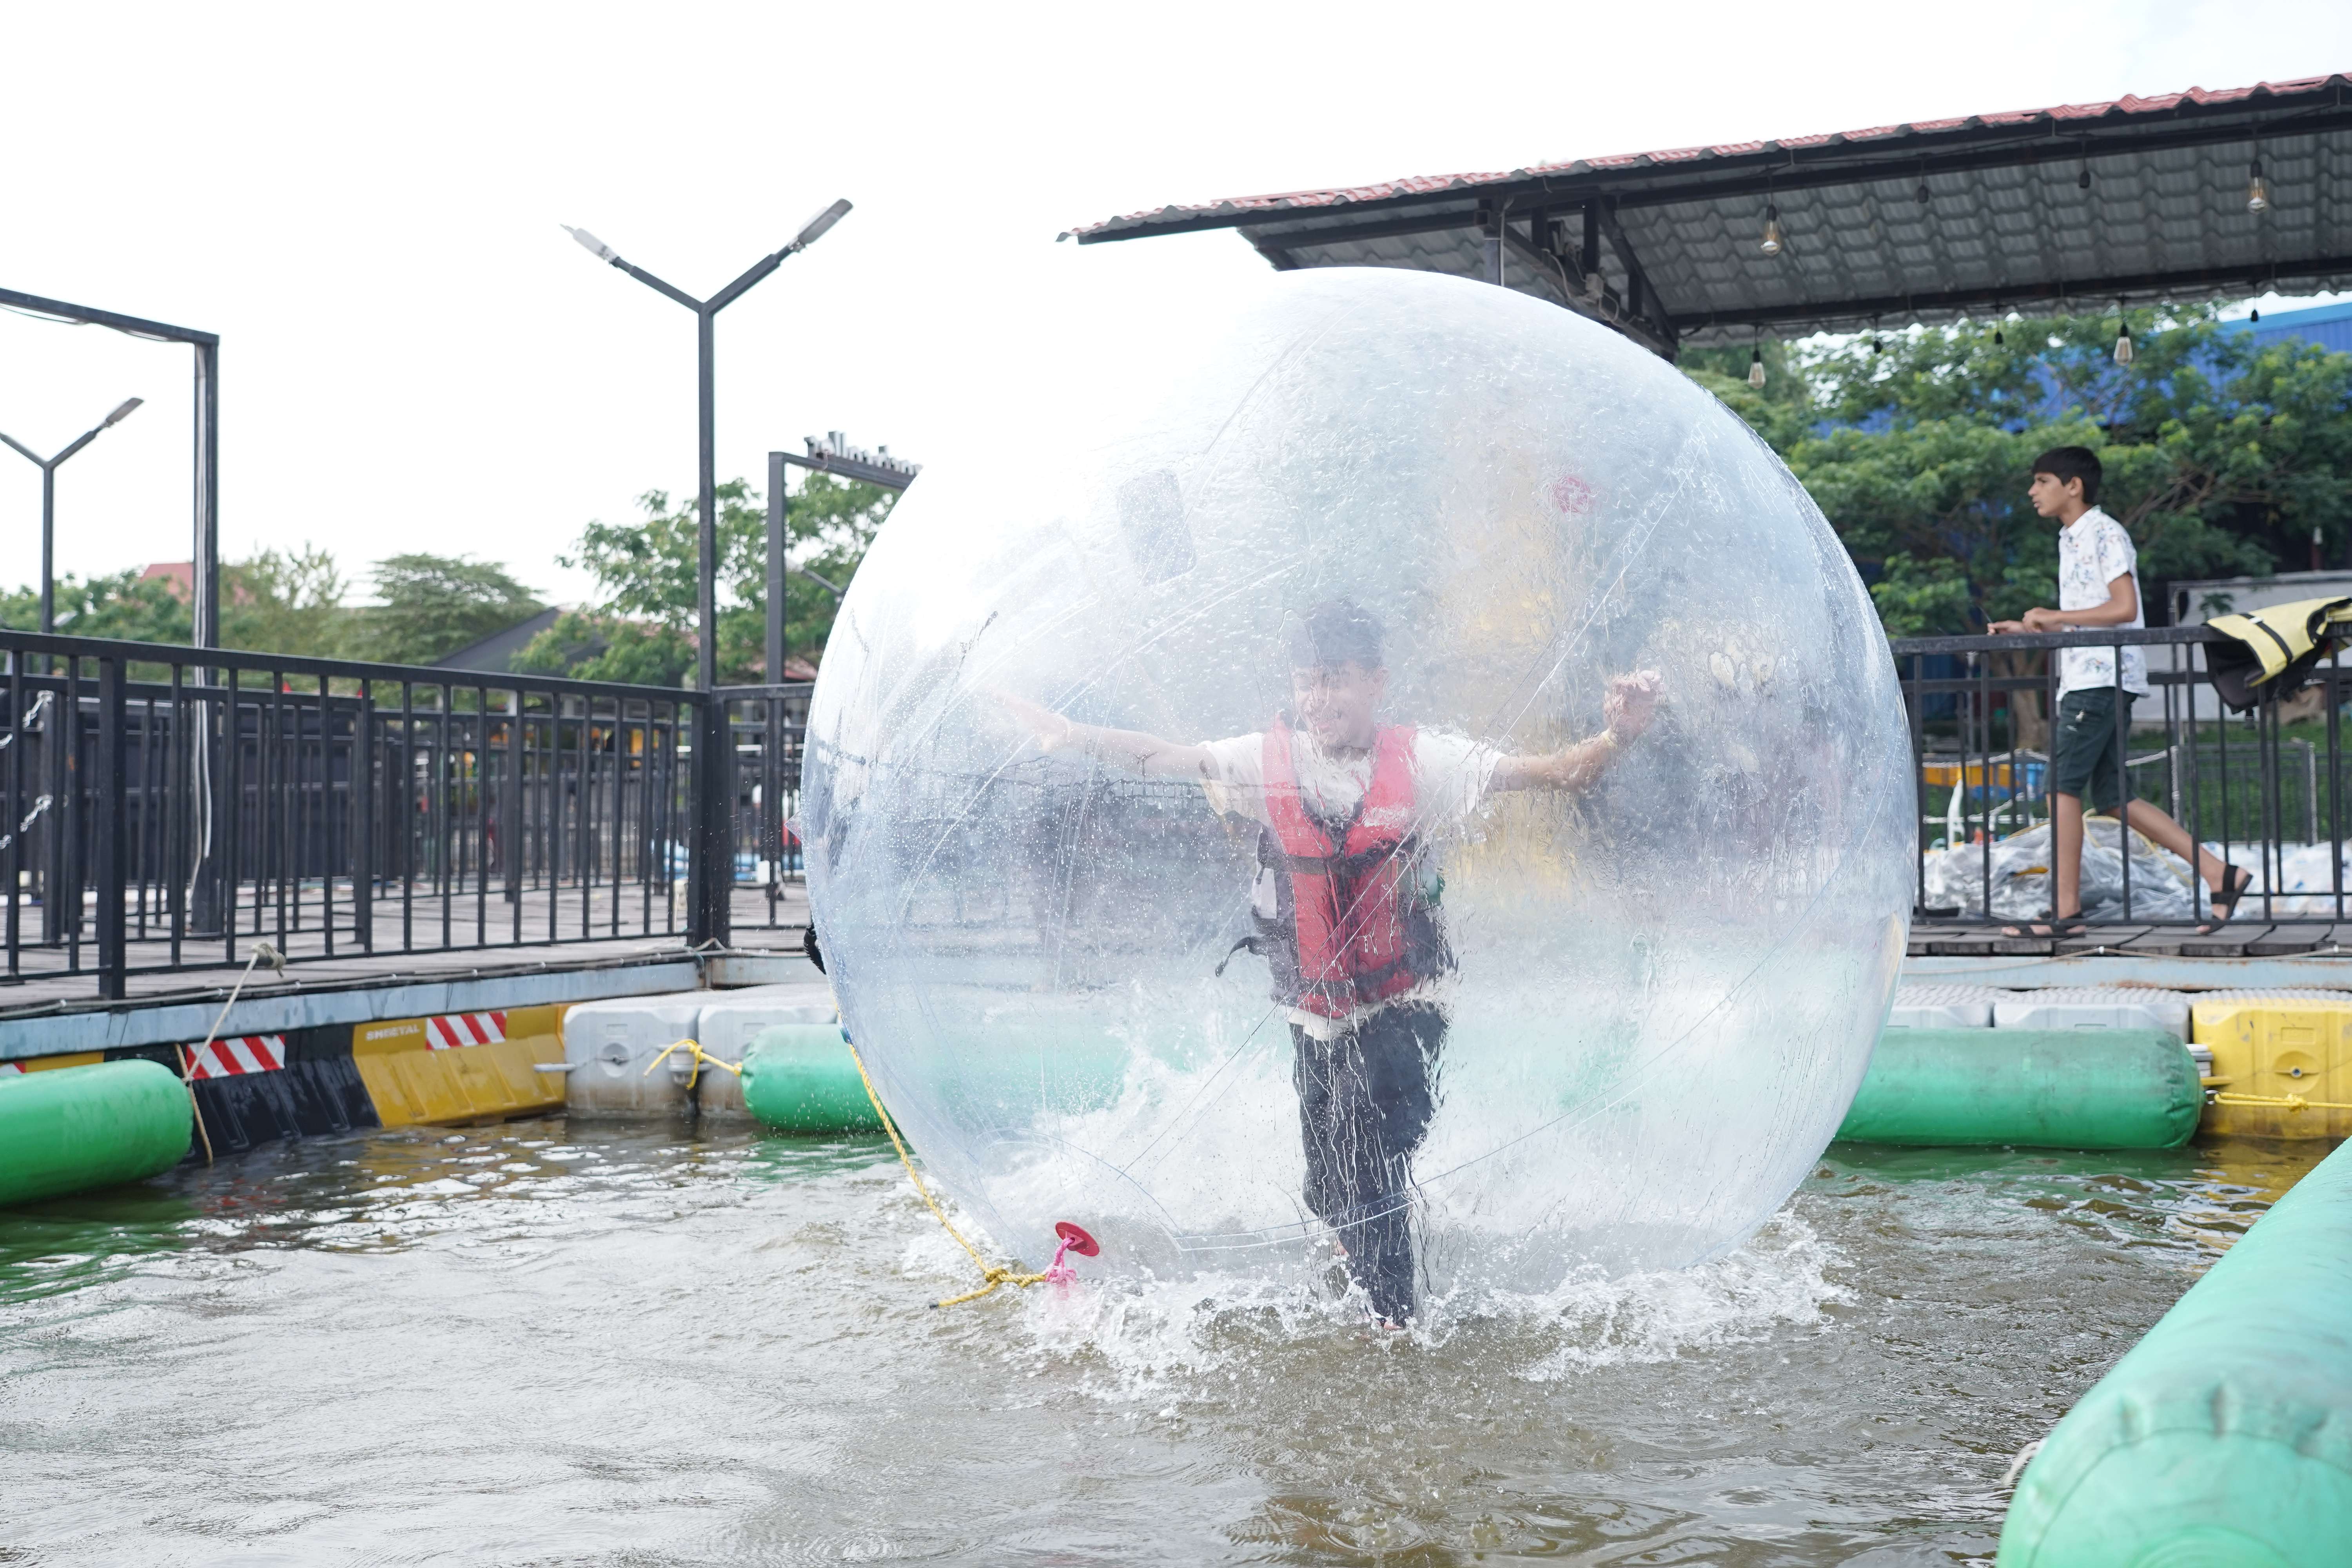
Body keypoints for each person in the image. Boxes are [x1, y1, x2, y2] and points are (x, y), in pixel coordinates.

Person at [997, 600, 1659, 1325]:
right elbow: (1161, 757)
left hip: (1404, 1014)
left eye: (1337, 680)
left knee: (1365, 1158)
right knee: (1329, 1187)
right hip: (1312, 1020)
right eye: (1308, 682)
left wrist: (1616, 736)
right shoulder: (1265, 760)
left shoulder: (1425, 763)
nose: (1320, 699)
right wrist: (1073, 736)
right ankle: (1367, 1294)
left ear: (1376, 682)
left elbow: (1559, 774)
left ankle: (1397, 1330)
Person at [1989, 446, 2248, 936]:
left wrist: (2057, 616)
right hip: (2094, 675)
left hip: (2099, 680)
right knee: (2113, 798)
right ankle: (2220, 873)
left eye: (2042, 480)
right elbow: (2092, 617)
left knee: (2061, 786)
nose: (2032, 491)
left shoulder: (2104, 532)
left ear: (2073, 486)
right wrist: (2032, 630)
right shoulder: (2072, 538)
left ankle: (2066, 912)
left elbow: (2125, 607)